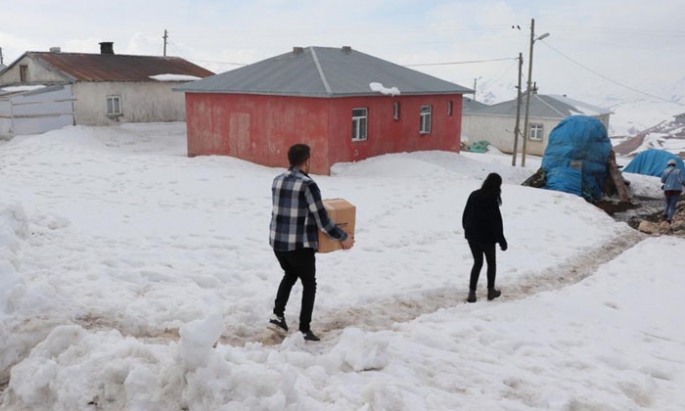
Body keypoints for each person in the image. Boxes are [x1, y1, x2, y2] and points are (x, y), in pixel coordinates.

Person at [268, 143, 354, 341]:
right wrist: (343, 237)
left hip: (277, 243)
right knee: (309, 283)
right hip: (298, 245)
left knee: (290, 274)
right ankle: (304, 329)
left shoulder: (277, 180)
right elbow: (322, 219)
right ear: (307, 161)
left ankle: (277, 315)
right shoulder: (308, 185)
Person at [462, 173, 508, 303]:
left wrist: (466, 229)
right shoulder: (492, 201)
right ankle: (491, 291)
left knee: (477, 263)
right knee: (491, 263)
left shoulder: (474, 195)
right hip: (486, 239)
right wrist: (502, 241)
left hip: (472, 236)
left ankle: (472, 293)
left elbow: (465, 214)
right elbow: (496, 224)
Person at [661, 158, 684, 224]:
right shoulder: (679, 171)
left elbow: (662, 180)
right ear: (675, 164)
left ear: (668, 164)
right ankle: (669, 219)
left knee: (667, 203)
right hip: (676, 190)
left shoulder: (665, 171)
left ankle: (664, 215)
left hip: (667, 190)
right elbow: (681, 180)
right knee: (672, 205)